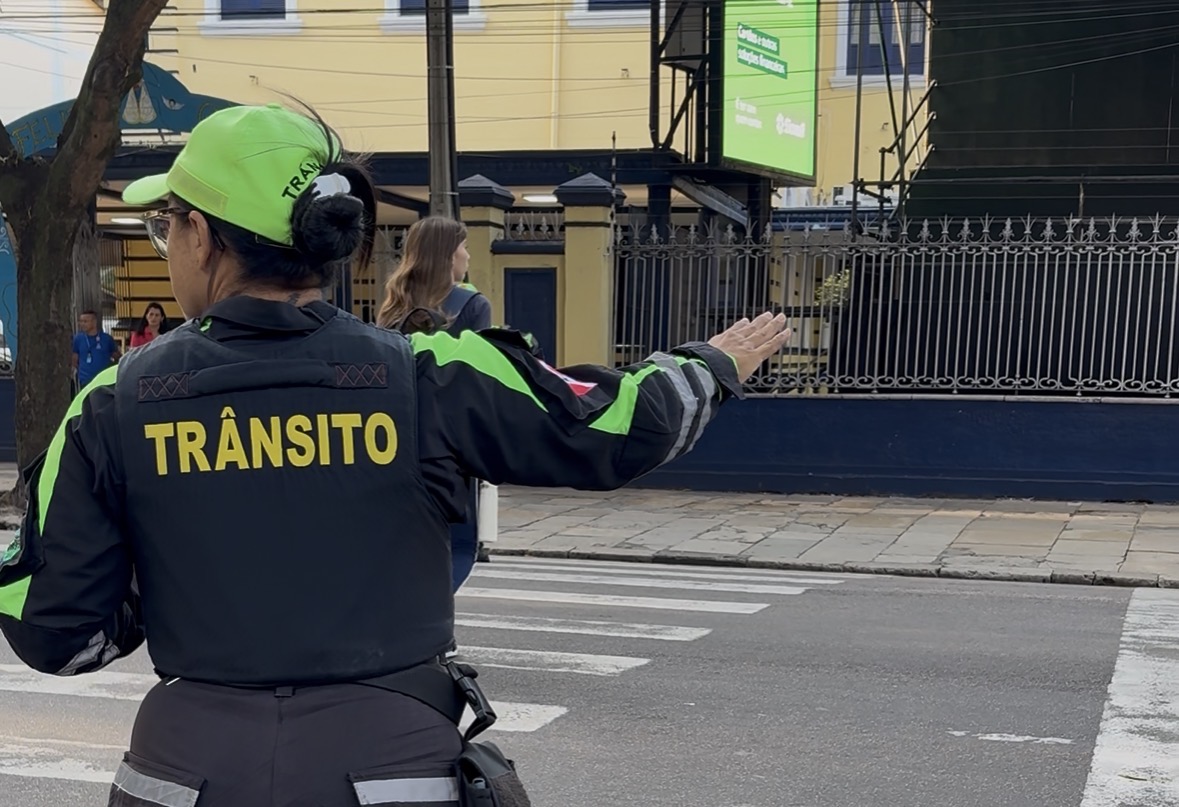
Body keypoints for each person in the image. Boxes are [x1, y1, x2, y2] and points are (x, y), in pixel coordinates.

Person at [0, 102, 791, 807]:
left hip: (185, 772)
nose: (166, 241)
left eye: (165, 223)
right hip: (394, 770)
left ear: (202, 236)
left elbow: (51, 630)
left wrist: (161, 581)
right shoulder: (429, 373)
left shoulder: (110, 403)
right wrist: (710, 366)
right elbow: (618, 426)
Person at [377, 216, 492, 594]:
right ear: (447, 255)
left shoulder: (393, 306)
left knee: (410, 539)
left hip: (400, 438)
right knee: (460, 544)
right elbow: (479, 374)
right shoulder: (472, 305)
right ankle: (437, 631)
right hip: (452, 442)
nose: (467, 254)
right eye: (463, 247)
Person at [71, 309, 120, 390]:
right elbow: (74, 359)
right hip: (86, 380)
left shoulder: (106, 339)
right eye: (81, 321)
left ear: (94, 322)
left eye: (85, 321)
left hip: (104, 379)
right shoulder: (78, 339)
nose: (82, 324)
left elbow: (117, 356)